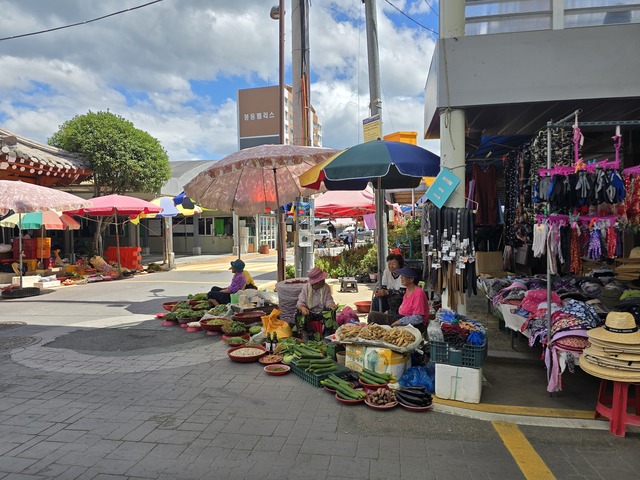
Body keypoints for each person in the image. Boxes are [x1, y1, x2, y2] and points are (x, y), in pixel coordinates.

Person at [367, 266, 429, 333]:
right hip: (402, 319)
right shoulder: (408, 290)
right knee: (372, 315)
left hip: (414, 325)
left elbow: (418, 318)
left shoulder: (418, 293)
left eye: (403, 276)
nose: (401, 278)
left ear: (411, 279)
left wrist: (399, 322)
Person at [294, 267, 338, 339]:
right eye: (323, 279)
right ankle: (306, 333)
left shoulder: (326, 287)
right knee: (298, 313)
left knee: (331, 312)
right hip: (309, 312)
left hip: (321, 313)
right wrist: (302, 308)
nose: (324, 280)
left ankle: (327, 335)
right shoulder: (306, 288)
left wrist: (331, 305)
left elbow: (328, 301)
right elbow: (300, 303)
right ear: (318, 281)